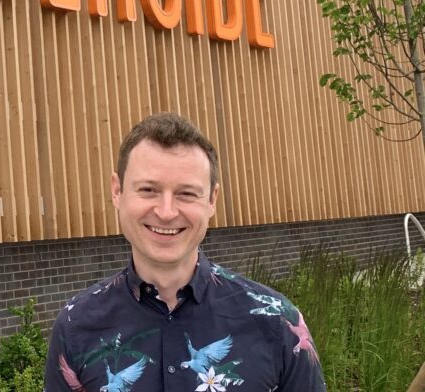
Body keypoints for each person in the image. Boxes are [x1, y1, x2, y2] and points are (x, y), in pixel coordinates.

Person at [44, 112, 326, 392]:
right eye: (148, 189)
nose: (166, 212)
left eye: (187, 194)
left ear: (212, 200)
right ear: (117, 191)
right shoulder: (75, 326)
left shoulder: (275, 321)